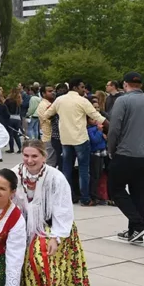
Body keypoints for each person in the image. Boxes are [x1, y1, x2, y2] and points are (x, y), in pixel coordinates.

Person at [12, 140, 90, 286]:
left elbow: (63, 209)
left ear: (44, 157)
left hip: (52, 225)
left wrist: (56, 237)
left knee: (41, 253)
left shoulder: (56, 177)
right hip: (21, 225)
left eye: (34, 156)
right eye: (26, 155)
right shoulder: (14, 174)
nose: (29, 160)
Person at [107, 72, 144, 243]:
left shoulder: (122, 101)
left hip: (125, 153)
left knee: (115, 189)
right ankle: (134, 231)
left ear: (125, 84)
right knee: (138, 192)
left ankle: (139, 224)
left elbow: (115, 128)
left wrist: (111, 149)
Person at [39, 78, 105, 207]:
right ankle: (85, 198)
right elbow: (96, 116)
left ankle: (67, 196)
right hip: (80, 138)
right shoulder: (82, 101)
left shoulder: (59, 100)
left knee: (67, 168)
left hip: (65, 139)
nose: (84, 90)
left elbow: (46, 115)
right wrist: (109, 125)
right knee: (83, 169)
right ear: (75, 87)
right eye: (81, 87)